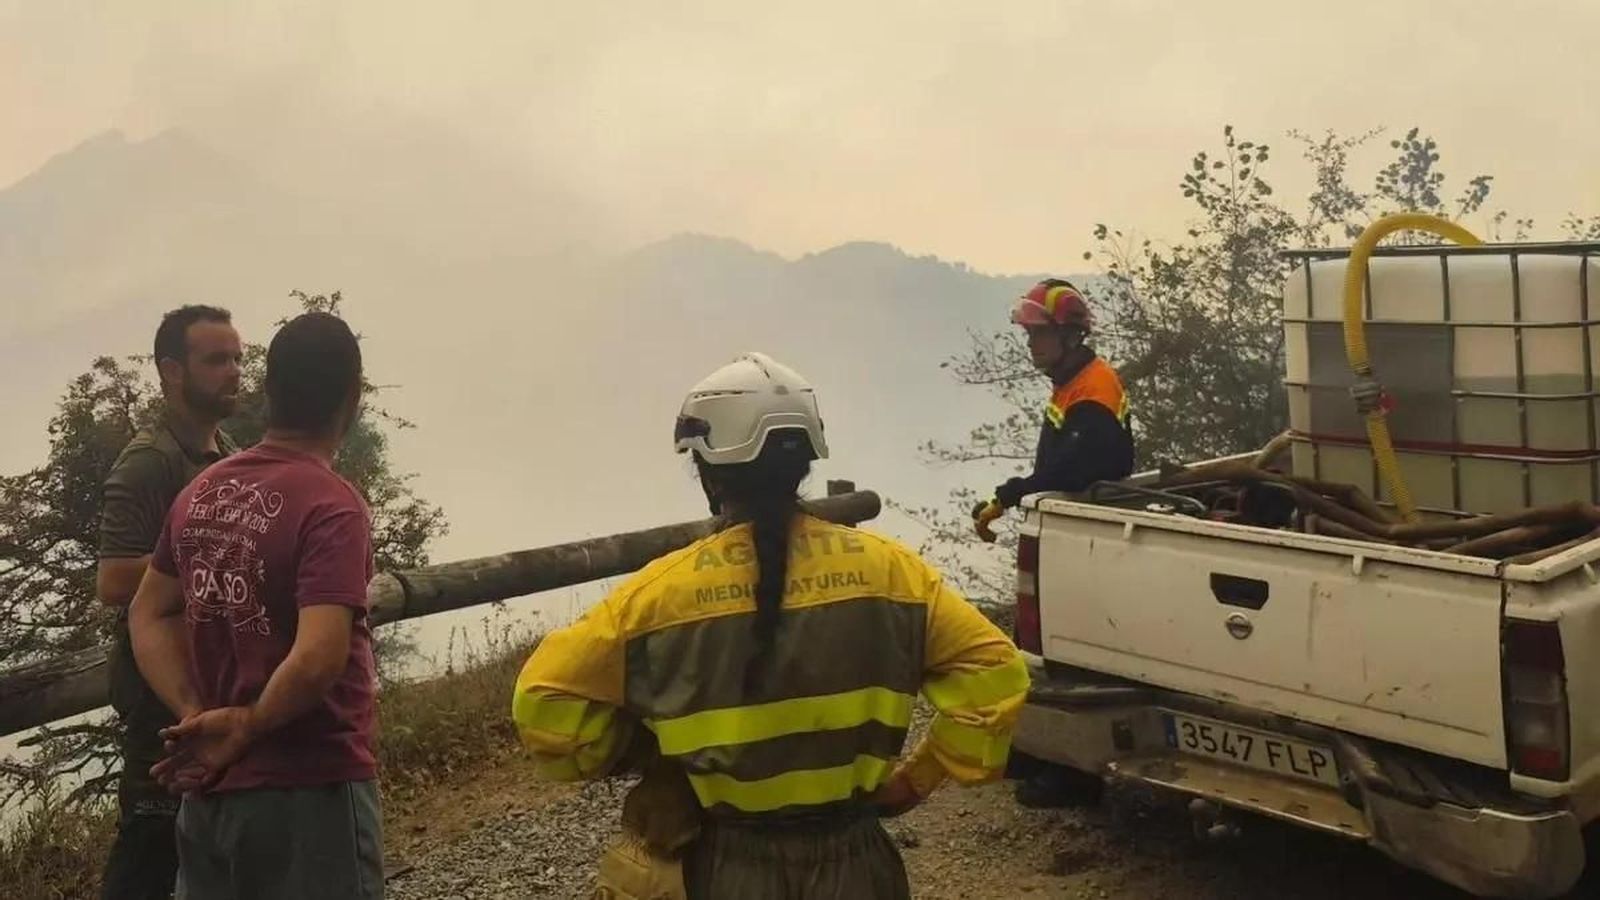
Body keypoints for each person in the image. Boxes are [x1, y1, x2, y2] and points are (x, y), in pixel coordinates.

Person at [511, 351, 1029, 899]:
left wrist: (652, 752)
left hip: (727, 867)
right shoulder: (897, 573)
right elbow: (997, 676)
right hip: (859, 864)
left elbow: (543, 703)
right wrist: (914, 781)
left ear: (709, 473)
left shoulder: (655, 597)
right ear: (804, 465)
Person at [127, 312, 383, 900]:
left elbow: (148, 612)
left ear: (269, 391)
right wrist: (246, 725)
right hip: (310, 789)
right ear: (352, 395)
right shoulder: (332, 504)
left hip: (210, 794)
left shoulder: (202, 491)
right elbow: (319, 656)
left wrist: (195, 712)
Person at [97, 304, 241, 900]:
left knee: (216, 848)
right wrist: (215, 557)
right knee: (150, 850)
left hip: (216, 681)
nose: (234, 371)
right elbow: (112, 580)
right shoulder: (148, 462)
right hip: (160, 693)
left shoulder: (227, 449)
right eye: (217, 360)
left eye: (237, 358)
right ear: (172, 371)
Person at [972, 278, 1134, 541]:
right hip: (1081, 526)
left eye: (1040, 333)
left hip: (1091, 531)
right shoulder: (1074, 380)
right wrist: (1001, 501)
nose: (1030, 343)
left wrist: (1007, 496)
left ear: (1069, 336)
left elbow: (1067, 474)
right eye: (1029, 334)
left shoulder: (1092, 392)